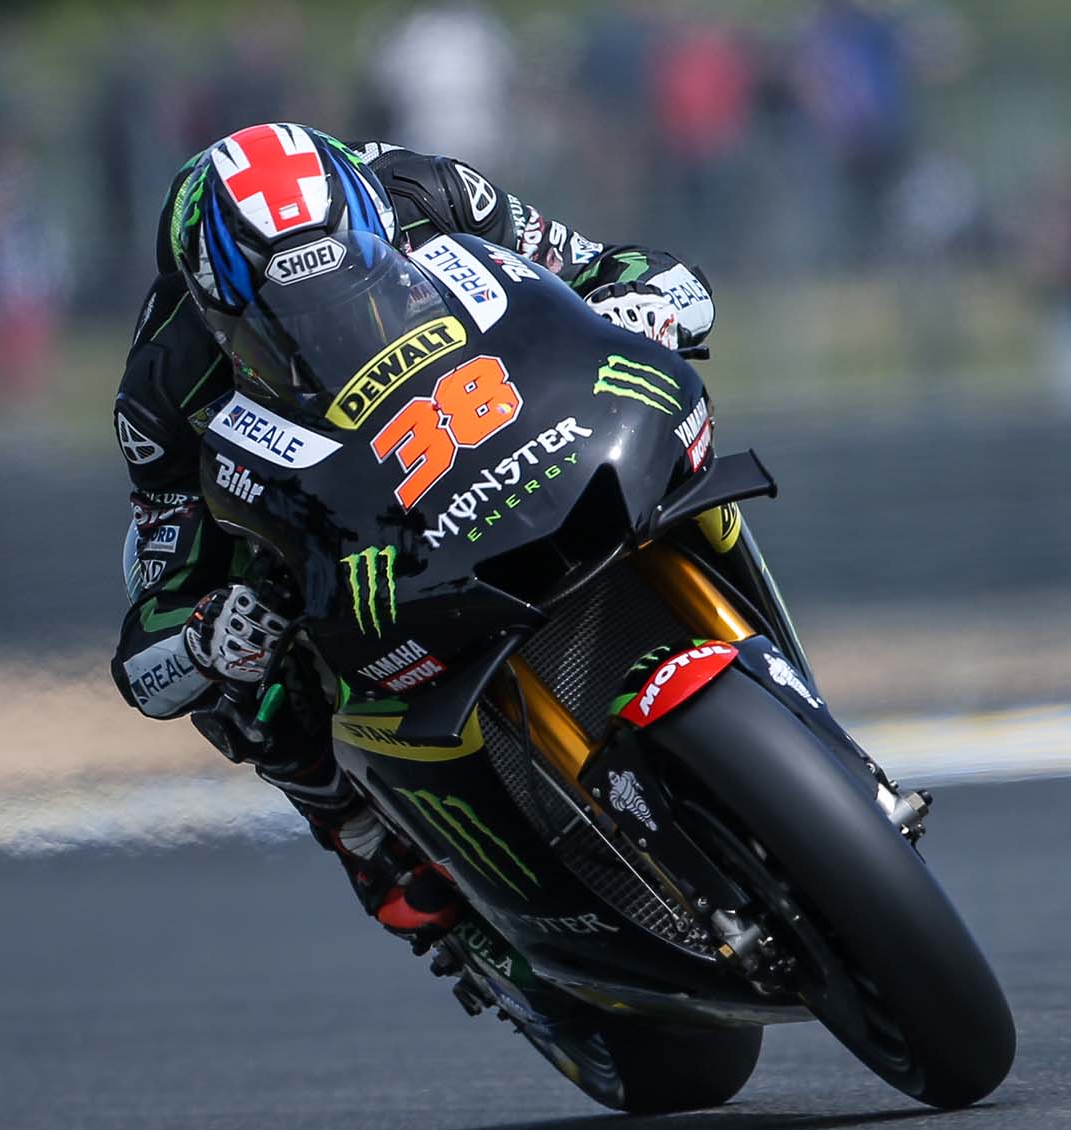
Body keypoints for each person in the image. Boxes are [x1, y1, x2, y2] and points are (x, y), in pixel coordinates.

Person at [108, 122, 713, 946]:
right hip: (343, 518)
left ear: (376, 225)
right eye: (280, 316)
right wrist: (207, 637)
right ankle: (357, 832)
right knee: (240, 679)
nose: (322, 320)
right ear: (215, 309)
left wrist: (640, 304)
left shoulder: (429, 190)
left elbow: (624, 267)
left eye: (347, 282)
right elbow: (150, 631)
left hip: (509, 429)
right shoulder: (162, 385)